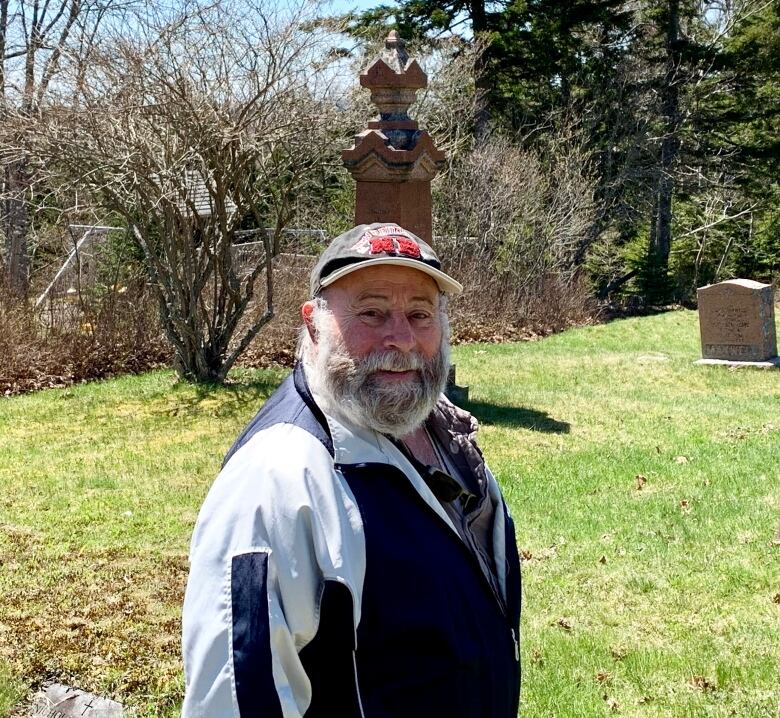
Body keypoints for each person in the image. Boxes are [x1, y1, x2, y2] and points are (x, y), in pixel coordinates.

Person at [181, 223, 521, 718]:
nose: (401, 338)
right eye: (372, 312)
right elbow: (233, 700)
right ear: (314, 326)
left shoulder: (440, 429)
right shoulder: (278, 478)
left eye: (420, 314)